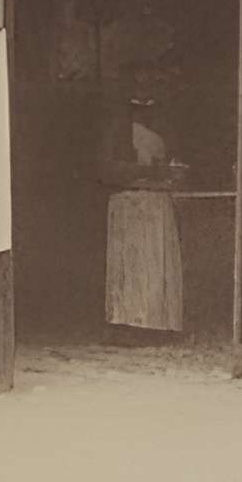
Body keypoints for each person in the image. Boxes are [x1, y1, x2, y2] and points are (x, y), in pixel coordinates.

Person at [98, 93, 187, 340]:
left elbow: (171, 166)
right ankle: (127, 324)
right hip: (128, 203)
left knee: (155, 265)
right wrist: (148, 171)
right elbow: (106, 169)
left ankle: (157, 324)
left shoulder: (160, 136)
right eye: (137, 109)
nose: (143, 114)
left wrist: (166, 173)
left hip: (156, 203)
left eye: (149, 109)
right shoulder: (116, 134)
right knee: (130, 266)